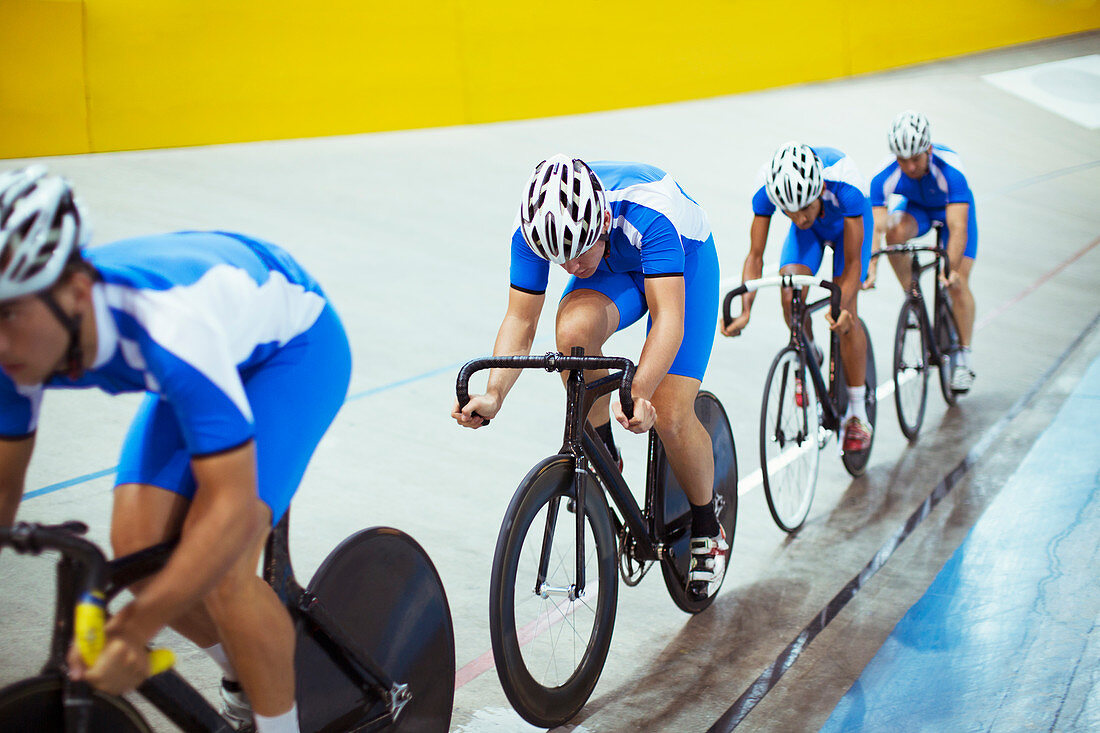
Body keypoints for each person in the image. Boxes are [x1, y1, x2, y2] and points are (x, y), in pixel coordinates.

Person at [0, 166, 351, 733]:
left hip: (294, 349)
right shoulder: (15, 352)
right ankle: (243, 680)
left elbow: (230, 512)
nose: (0, 341)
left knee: (224, 569)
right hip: (211, 347)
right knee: (139, 549)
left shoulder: (170, 326)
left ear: (75, 292)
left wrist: (136, 628)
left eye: (10, 313)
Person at [451, 155, 726, 600]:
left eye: (579, 253)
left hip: (684, 266)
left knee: (672, 411)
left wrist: (637, 391)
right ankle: (605, 451)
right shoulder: (536, 232)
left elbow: (668, 321)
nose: (571, 268)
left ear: (600, 221)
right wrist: (493, 393)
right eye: (559, 260)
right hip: (616, 271)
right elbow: (520, 322)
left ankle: (706, 524)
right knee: (572, 334)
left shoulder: (649, 212)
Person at [721, 142, 873, 452]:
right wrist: (745, 308)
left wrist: (841, 305)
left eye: (805, 207)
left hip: (848, 229)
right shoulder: (766, 189)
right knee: (789, 291)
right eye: (790, 210)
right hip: (810, 240)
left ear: (818, 191)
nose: (799, 217)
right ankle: (811, 350)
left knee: (846, 315)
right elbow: (755, 255)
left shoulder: (846, 184)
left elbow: (855, 263)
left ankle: (858, 413)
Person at [865, 110, 977, 392]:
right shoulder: (884, 174)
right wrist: (872, 265)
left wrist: (949, 268)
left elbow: (958, 227)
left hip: (953, 213)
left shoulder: (950, 170)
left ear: (928, 149)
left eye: (915, 158)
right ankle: (912, 295)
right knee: (895, 231)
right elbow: (876, 228)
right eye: (903, 160)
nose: (910, 166)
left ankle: (962, 357)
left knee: (958, 284)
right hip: (918, 211)